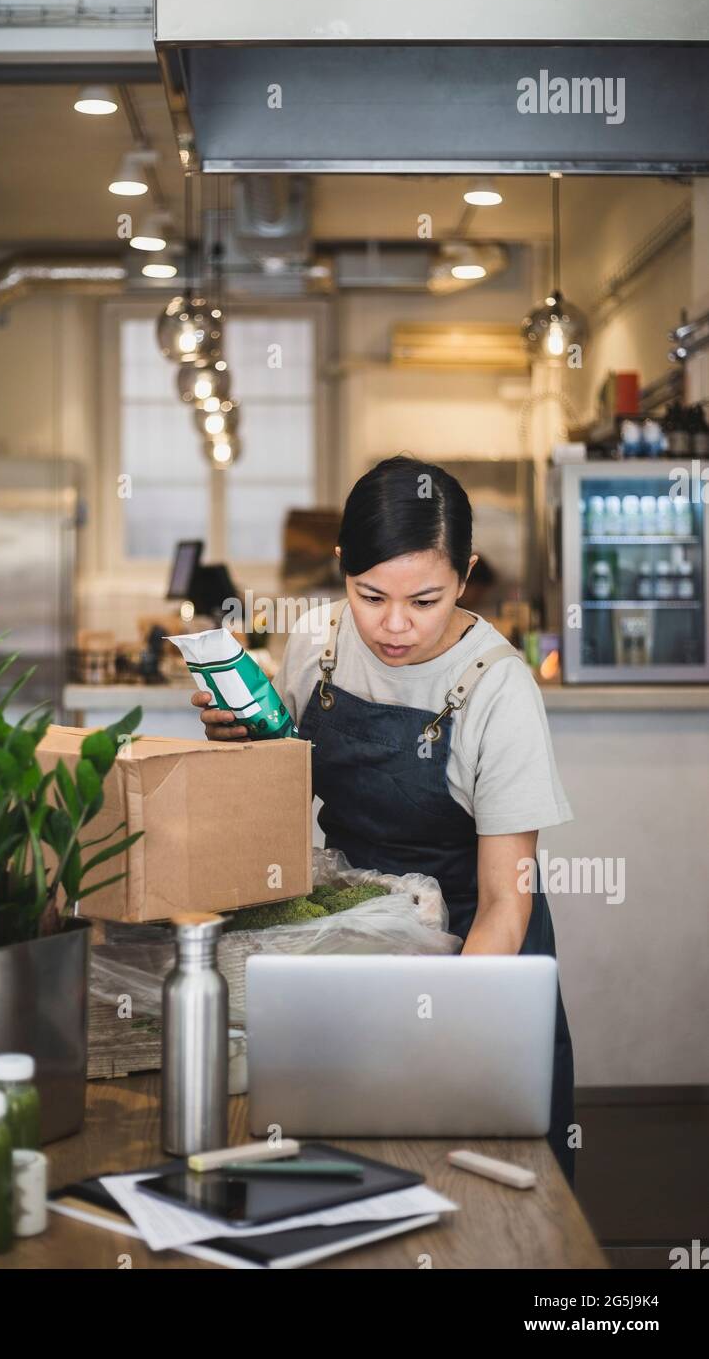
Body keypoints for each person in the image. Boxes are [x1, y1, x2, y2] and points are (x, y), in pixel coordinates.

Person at [192, 455, 576, 1186]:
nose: (395, 626)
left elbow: (505, 901)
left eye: (426, 601)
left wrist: (442, 1026)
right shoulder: (316, 642)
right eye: (370, 596)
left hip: (477, 951)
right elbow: (281, 797)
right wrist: (243, 743)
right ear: (341, 569)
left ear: (464, 576)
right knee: (350, 1173)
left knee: (497, 1194)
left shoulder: (500, 689)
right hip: (357, 939)